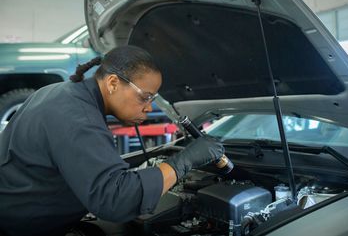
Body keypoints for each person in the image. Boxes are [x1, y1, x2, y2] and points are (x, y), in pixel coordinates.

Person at [0, 45, 224, 236]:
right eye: (145, 97)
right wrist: (184, 162)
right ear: (113, 83)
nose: (148, 107)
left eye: (153, 99)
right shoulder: (79, 117)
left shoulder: (59, 93)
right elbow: (114, 200)